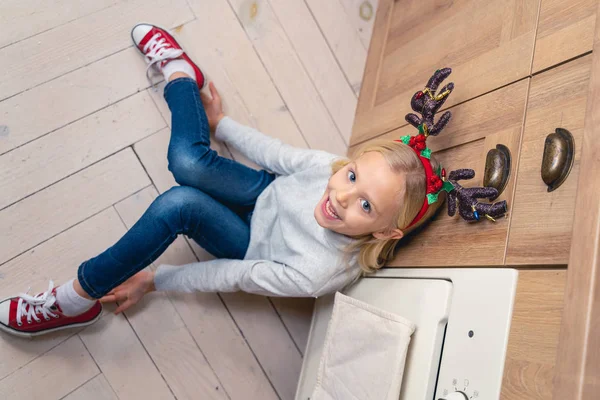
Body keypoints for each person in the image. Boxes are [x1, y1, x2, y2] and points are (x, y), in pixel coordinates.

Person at [0, 24, 445, 337]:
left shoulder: (317, 274)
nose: (341, 196)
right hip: (265, 192)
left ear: (386, 232)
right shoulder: (332, 170)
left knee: (178, 203)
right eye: (350, 175)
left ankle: (75, 300)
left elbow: (234, 275)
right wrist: (223, 123)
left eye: (365, 205)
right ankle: (179, 72)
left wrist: (154, 279)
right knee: (186, 162)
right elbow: (279, 155)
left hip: (249, 244)